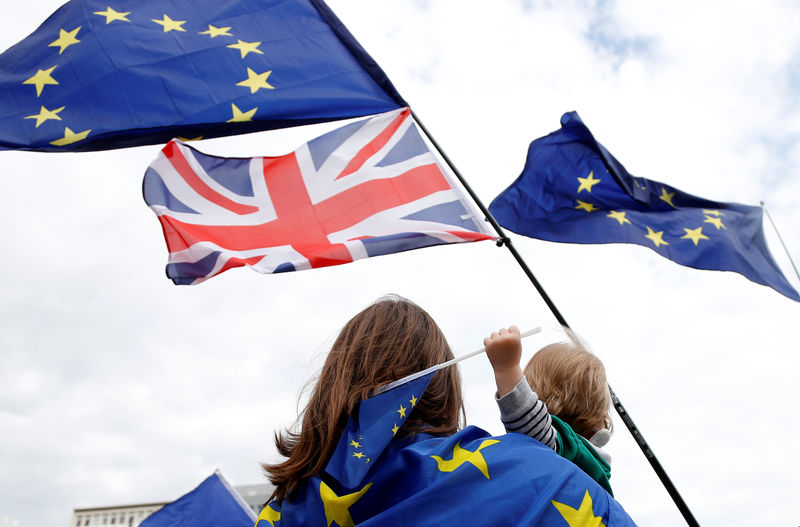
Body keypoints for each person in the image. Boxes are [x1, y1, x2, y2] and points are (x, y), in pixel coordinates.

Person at [258, 296, 636, 526]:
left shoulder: (279, 513)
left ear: (336, 382)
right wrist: (508, 370)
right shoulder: (535, 472)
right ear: (444, 388)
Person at [484, 325, 614, 494]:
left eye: (527, 387)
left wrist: (507, 368)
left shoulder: (569, 451)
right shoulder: (592, 465)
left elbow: (531, 430)